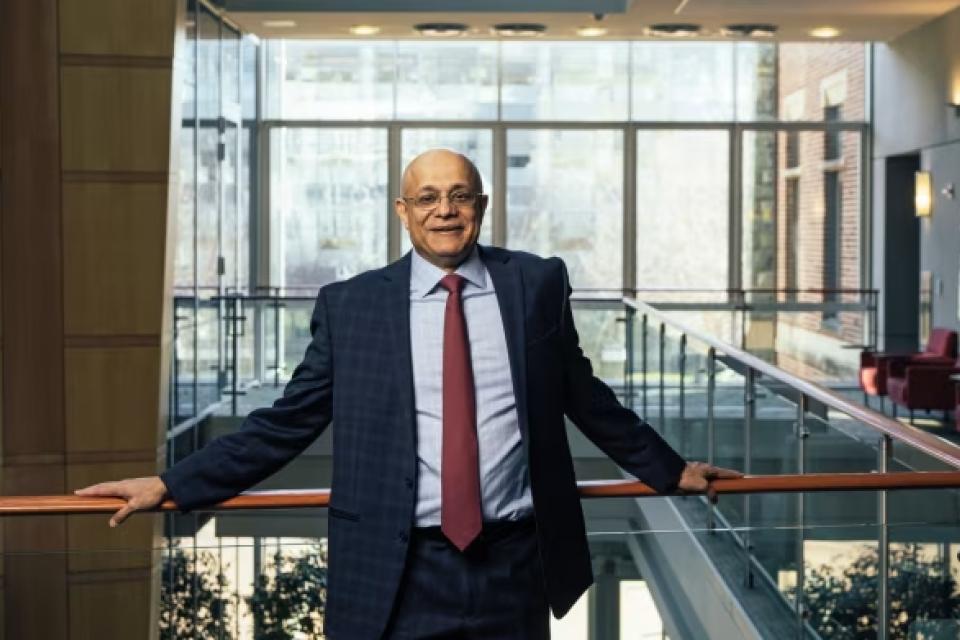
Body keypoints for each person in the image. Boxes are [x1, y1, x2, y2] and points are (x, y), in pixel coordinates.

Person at [77, 149, 740, 639]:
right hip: (397, 572)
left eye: (459, 195)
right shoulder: (354, 306)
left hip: (513, 563)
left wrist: (670, 470)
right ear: (403, 211)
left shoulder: (535, 283)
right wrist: (171, 484)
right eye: (426, 198)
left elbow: (584, 395)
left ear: (480, 205)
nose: (444, 210)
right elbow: (286, 423)